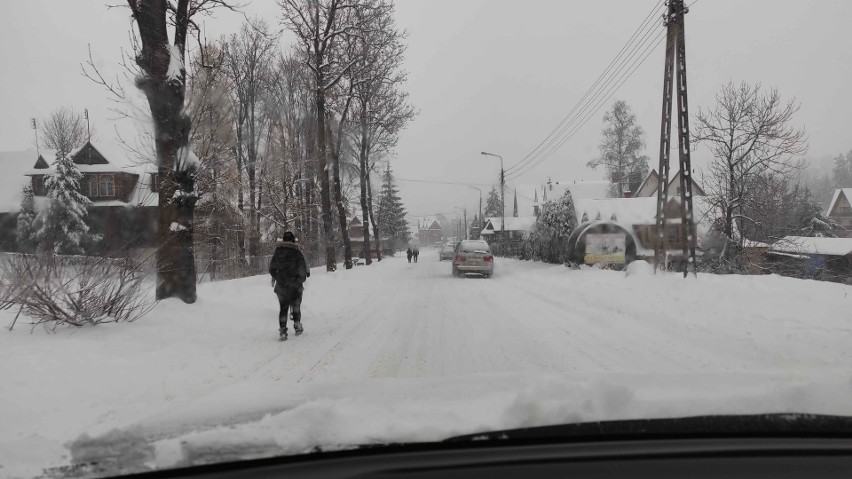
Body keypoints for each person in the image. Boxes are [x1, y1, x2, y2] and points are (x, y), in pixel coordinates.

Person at [269, 231, 310, 341]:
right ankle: (297, 326)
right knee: (296, 307)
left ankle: (283, 331)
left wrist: (279, 278)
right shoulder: (297, 252)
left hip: (281, 287)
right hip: (295, 286)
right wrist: (299, 281)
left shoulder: (278, 252)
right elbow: (302, 269)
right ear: (293, 240)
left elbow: (271, 269)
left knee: (283, 308)